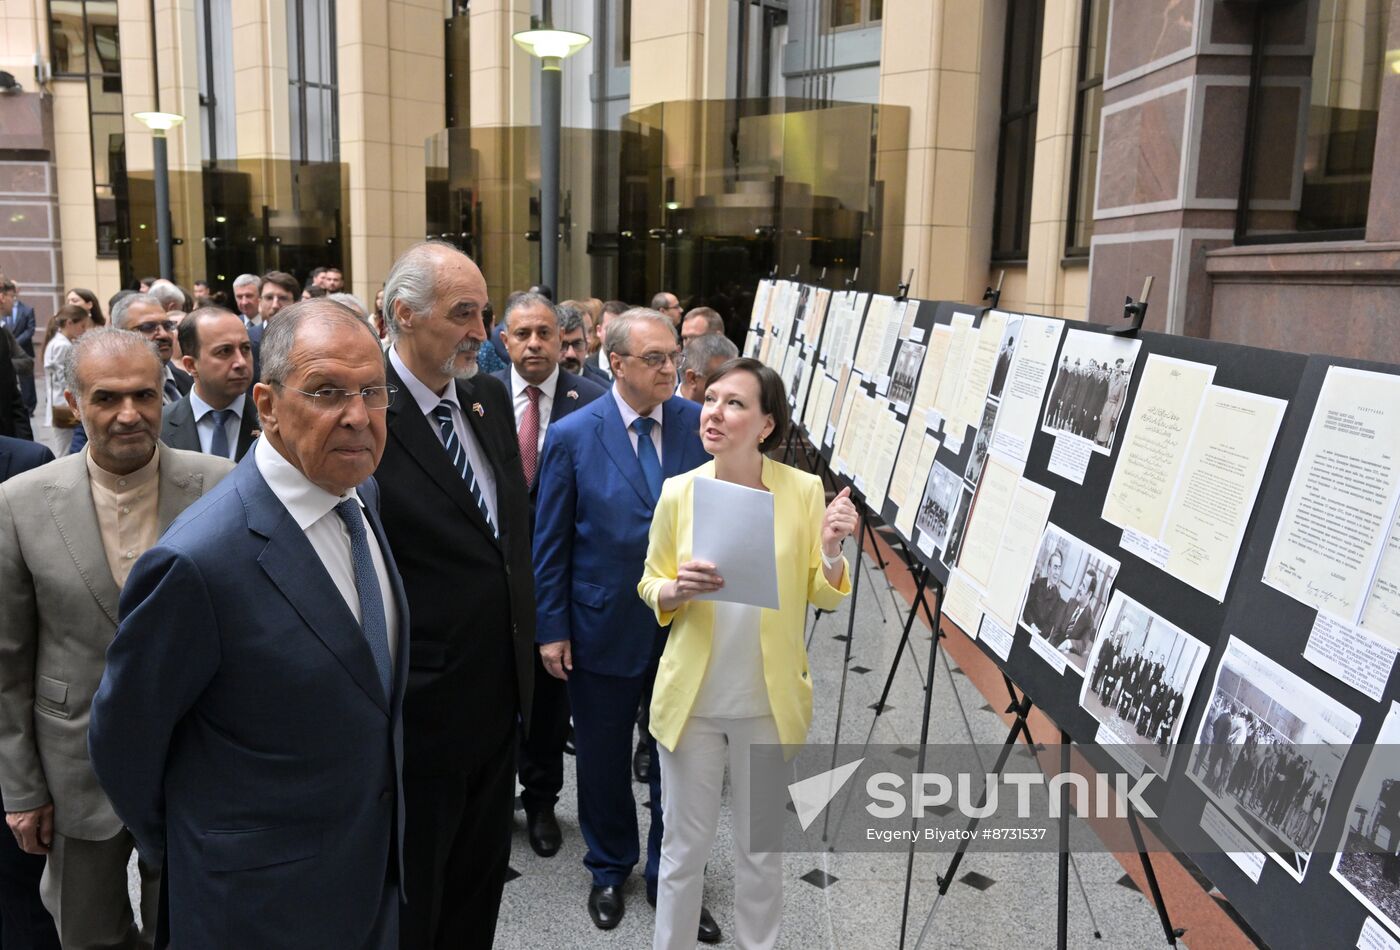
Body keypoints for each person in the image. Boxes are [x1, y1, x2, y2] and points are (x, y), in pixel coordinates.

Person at [87, 302, 408, 947]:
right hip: (254, 909)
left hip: (370, 879)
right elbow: (125, 742)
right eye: (325, 392)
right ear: (266, 403)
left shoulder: (357, 496)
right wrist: (217, 851)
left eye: (373, 391)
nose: (357, 414)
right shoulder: (198, 561)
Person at [0, 328, 233, 949]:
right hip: (73, 760)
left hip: (194, 758)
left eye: (144, 396)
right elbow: (8, 661)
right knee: (86, 933)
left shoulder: (225, 485)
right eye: (106, 398)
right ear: (74, 401)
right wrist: (21, 789)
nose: (128, 415)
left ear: (166, 395)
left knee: (187, 928)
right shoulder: (19, 504)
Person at [640, 357, 855, 949]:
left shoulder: (804, 491)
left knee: (761, 852)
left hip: (767, 699)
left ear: (766, 424)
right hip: (694, 700)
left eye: (735, 403)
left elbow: (823, 593)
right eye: (710, 399)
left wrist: (832, 549)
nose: (715, 412)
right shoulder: (680, 492)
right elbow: (649, 581)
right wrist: (674, 590)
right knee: (684, 850)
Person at [533, 307, 716, 936]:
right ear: (617, 363)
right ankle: (609, 867)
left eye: (675, 358)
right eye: (657, 359)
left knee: (679, 756)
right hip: (600, 621)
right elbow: (550, 539)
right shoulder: (574, 435)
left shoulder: (700, 426)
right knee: (605, 756)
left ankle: (673, 875)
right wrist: (551, 626)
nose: (673, 369)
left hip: (688, 625)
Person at [374, 243, 536, 948]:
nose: (482, 331)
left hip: (501, 700)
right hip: (420, 712)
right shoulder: (365, 413)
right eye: (463, 314)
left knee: (477, 886)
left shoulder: (486, 396)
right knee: (418, 896)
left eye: (485, 313)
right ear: (404, 315)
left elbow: (508, 537)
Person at [491, 292, 604, 859]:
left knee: (547, 698)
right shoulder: (478, 401)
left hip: (561, 577)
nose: (533, 344)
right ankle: (492, 801)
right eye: (521, 334)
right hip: (493, 577)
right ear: (503, 341)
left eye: (544, 333)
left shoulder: (594, 402)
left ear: (563, 340)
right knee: (492, 695)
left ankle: (541, 802)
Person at [161, 307, 259, 461]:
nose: (241, 362)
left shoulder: (274, 421)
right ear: (191, 365)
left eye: (245, 349)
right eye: (225, 351)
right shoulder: (160, 426)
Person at [41, 305, 90, 450]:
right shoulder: (62, 345)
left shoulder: (58, 342)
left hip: (57, 400)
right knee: (66, 448)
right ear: (69, 323)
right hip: (63, 404)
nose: (84, 330)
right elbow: (66, 379)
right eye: (82, 326)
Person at [0, 280, 35, 416]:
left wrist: (5, 366)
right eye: (12, 297)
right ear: (2, 298)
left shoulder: (3, 331)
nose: (13, 301)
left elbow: (27, 363)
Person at [677, 333, 738, 403]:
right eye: (721, 378)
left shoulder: (731, 411)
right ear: (692, 378)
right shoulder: (663, 405)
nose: (730, 387)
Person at [558, 303, 608, 387]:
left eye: (577, 344)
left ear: (586, 344)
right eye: (563, 345)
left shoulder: (602, 391)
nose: (571, 354)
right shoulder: (534, 388)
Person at [1021, 549, 1064, 632]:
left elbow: (1049, 627)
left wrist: (1038, 633)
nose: (1057, 573)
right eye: (1055, 567)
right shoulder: (1039, 582)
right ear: (1048, 569)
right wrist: (1032, 625)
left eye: (1059, 568)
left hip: (1039, 635)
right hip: (1028, 625)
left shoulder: (1058, 597)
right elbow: (1026, 607)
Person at [586, 300, 629, 381]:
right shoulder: (585, 366)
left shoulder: (635, 368)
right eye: (610, 328)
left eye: (621, 330)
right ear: (599, 330)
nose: (616, 335)